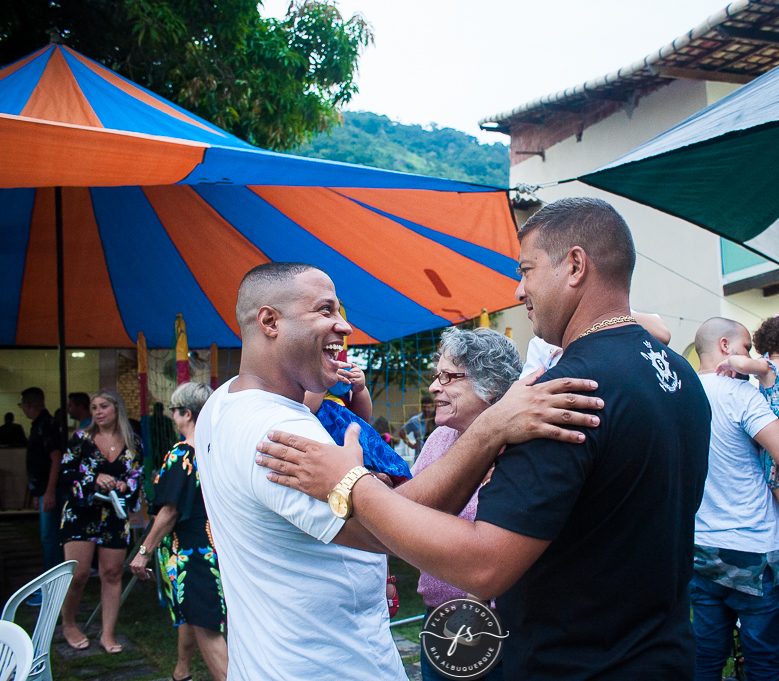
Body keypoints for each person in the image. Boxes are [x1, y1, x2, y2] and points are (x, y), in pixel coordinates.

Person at [256, 198, 713, 679]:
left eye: (527, 270)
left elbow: (484, 566)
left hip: (576, 665)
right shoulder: (681, 374)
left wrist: (352, 483)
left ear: (575, 266)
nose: (519, 290)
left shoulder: (561, 395)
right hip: (665, 656)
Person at [197, 261, 600, 681]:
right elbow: (391, 527)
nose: (344, 326)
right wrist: (492, 427)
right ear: (270, 322)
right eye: (325, 310)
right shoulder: (281, 431)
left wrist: (358, 480)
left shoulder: (222, 402)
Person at [691, 317, 779, 681]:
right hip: (757, 551)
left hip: (701, 548)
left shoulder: (681, 393)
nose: (753, 356)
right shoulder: (740, 394)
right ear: (725, 346)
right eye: (747, 348)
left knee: (706, 659)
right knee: (765, 665)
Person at [411, 326, 521, 681]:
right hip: (438, 618)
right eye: (436, 375)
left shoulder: (523, 448)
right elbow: (410, 513)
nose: (433, 387)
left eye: (448, 376)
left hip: (501, 626)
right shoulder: (440, 438)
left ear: (491, 386)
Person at [129, 382, 227, 681]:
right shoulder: (219, 450)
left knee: (206, 624)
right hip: (219, 545)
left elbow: (169, 511)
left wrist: (143, 552)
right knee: (191, 611)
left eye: (174, 410)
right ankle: (181, 672)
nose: (172, 416)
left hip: (192, 551)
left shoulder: (183, 453)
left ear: (186, 413)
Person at [713, 315, 779, 552]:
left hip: (777, 424)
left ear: (765, 346)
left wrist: (728, 362)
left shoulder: (767, 367)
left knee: (777, 483)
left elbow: (743, 365)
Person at [59, 390, 143, 653]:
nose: (98, 412)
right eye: (94, 407)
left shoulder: (133, 442)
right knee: (78, 573)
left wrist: (124, 484)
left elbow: (136, 476)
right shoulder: (81, 438)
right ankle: (68, 624)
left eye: (103, 406)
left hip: (114, 515)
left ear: (116, 409)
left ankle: (107, 634)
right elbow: (65, 472)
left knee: (112, 573)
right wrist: (93, 479)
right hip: (81, 513)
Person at [519, 309, 671, 378]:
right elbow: (526, 392)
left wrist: (603, 312)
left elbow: (663, 333)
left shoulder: (621, 315)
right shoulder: (539, 344)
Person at [19, 387, 65, 577]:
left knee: (50, 536)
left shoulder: (46, 425)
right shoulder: (40, 424)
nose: (22, 409)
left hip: (50, 488)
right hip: (44, 488)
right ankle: (51, 576)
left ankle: (52, 579)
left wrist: (49, 491)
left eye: (22, 405)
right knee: (49, 536)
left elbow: (56, 457)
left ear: (29, 404)